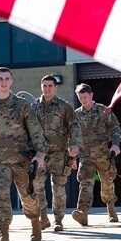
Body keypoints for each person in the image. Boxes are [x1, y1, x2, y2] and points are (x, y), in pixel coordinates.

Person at [0, 67, 47, 241]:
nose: (3, 82)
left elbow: (36, 130)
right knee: (2, 195)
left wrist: (40, 154)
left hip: (22, 159)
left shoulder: (22, 105)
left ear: (11, 81)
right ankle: (3, 233)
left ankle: (34, 222)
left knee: (26, 194)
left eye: (7, 78)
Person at [30, 75, 81, 232]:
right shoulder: (33, 107)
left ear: (55, 87)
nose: (47, 88)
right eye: (44, 85)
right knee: (37, 186)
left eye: (50, 86)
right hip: (39, 154)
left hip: (59, 153)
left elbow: (74, 126)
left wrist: (74, 146)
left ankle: (58, 220)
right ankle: (43, 218)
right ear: (41, 87)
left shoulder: (64, 106)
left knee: (58, 187)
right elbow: (28, 129)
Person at [71, 84, 121, 225]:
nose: (83, 100)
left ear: (91, 95)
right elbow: (72, 137)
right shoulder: (76, 115)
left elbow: (115, 128)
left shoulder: (103, 111)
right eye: (80, 98)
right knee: (85, 183)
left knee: (107, 183)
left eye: (85, 97)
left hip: (103, 154)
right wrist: (72, 157)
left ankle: (111, 208)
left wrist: (116, 144)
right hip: (85, 156)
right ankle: (82, 213)